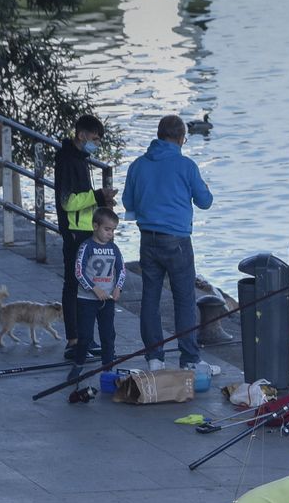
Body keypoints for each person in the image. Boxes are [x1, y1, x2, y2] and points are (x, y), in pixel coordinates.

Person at [122, 115, 213, 371]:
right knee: (184, 299)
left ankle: (154, 358)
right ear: (181, 138)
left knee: (150, 298)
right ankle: (190, 359)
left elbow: (128, 203)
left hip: (147, 239)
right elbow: (205, 201)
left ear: (159, 135)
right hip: (177, 241)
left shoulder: (138, 165)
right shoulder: (186, 166)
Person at [55, 114, 113, 359]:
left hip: (84, 228)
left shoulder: (80, 158)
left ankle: (85, 337)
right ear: (81, 135)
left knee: (84, 284)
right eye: (95, 139)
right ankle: (74, 340)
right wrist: (98, 196)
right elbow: (68, 202)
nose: (96, 144)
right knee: (73, 284)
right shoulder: (68, 160)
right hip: (74, 231)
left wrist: (99, 204)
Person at [68, 208, 125, 387]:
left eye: (113, 230)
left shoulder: (114, 248)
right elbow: (78, 271)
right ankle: (78, 364)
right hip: (87, 300)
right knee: (85, 336)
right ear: (95, 226)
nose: (110, 234)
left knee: (108, 335)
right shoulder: (86, 247)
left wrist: (118, 288)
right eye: (107, 229)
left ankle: (108, 368)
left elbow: (121, 270)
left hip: (107, 300)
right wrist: (93, 288)